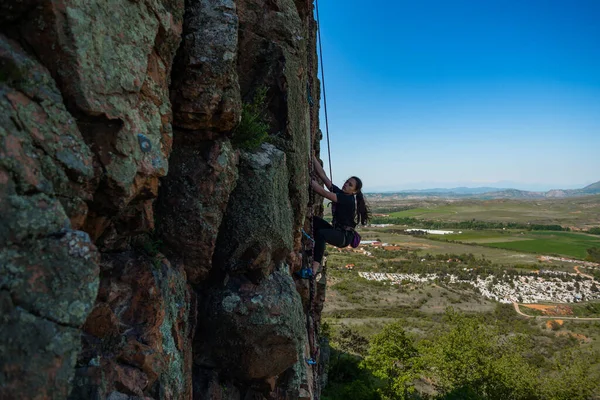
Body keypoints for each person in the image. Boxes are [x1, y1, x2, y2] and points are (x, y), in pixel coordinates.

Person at [308, 155, 370, 277]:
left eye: (350, 185)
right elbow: (324, 177)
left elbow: (323, 192)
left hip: (343, 237)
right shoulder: (342, 193)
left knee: (321, 234)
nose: (346, 184)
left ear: (354, 191)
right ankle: (312, 249)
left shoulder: (347, 199)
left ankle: (314, 269)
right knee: (314, 221)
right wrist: (313, 157)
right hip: (338, 231)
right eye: (347, 182)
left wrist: (309, 181)